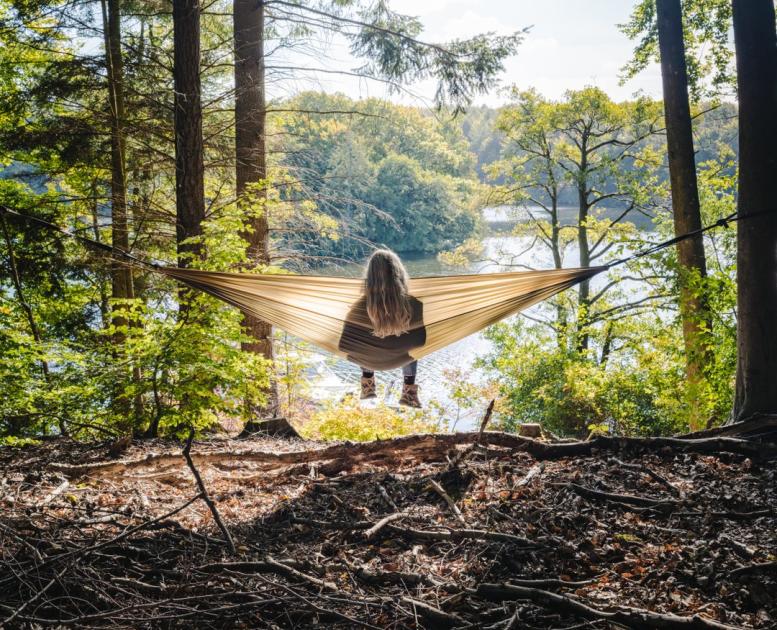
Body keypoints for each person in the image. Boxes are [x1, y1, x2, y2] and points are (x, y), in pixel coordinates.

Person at [337, 249, 426, 408]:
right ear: (399, 274)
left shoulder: (358, 307)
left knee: (361, 343)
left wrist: (371, 342)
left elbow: (344, 344)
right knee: (413, 351)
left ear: (370, 278)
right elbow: (421, 341)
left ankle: (367, 383)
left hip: (368, 361)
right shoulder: (414, 304)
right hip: (402, 358)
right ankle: (409, 391)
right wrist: (397, 339)